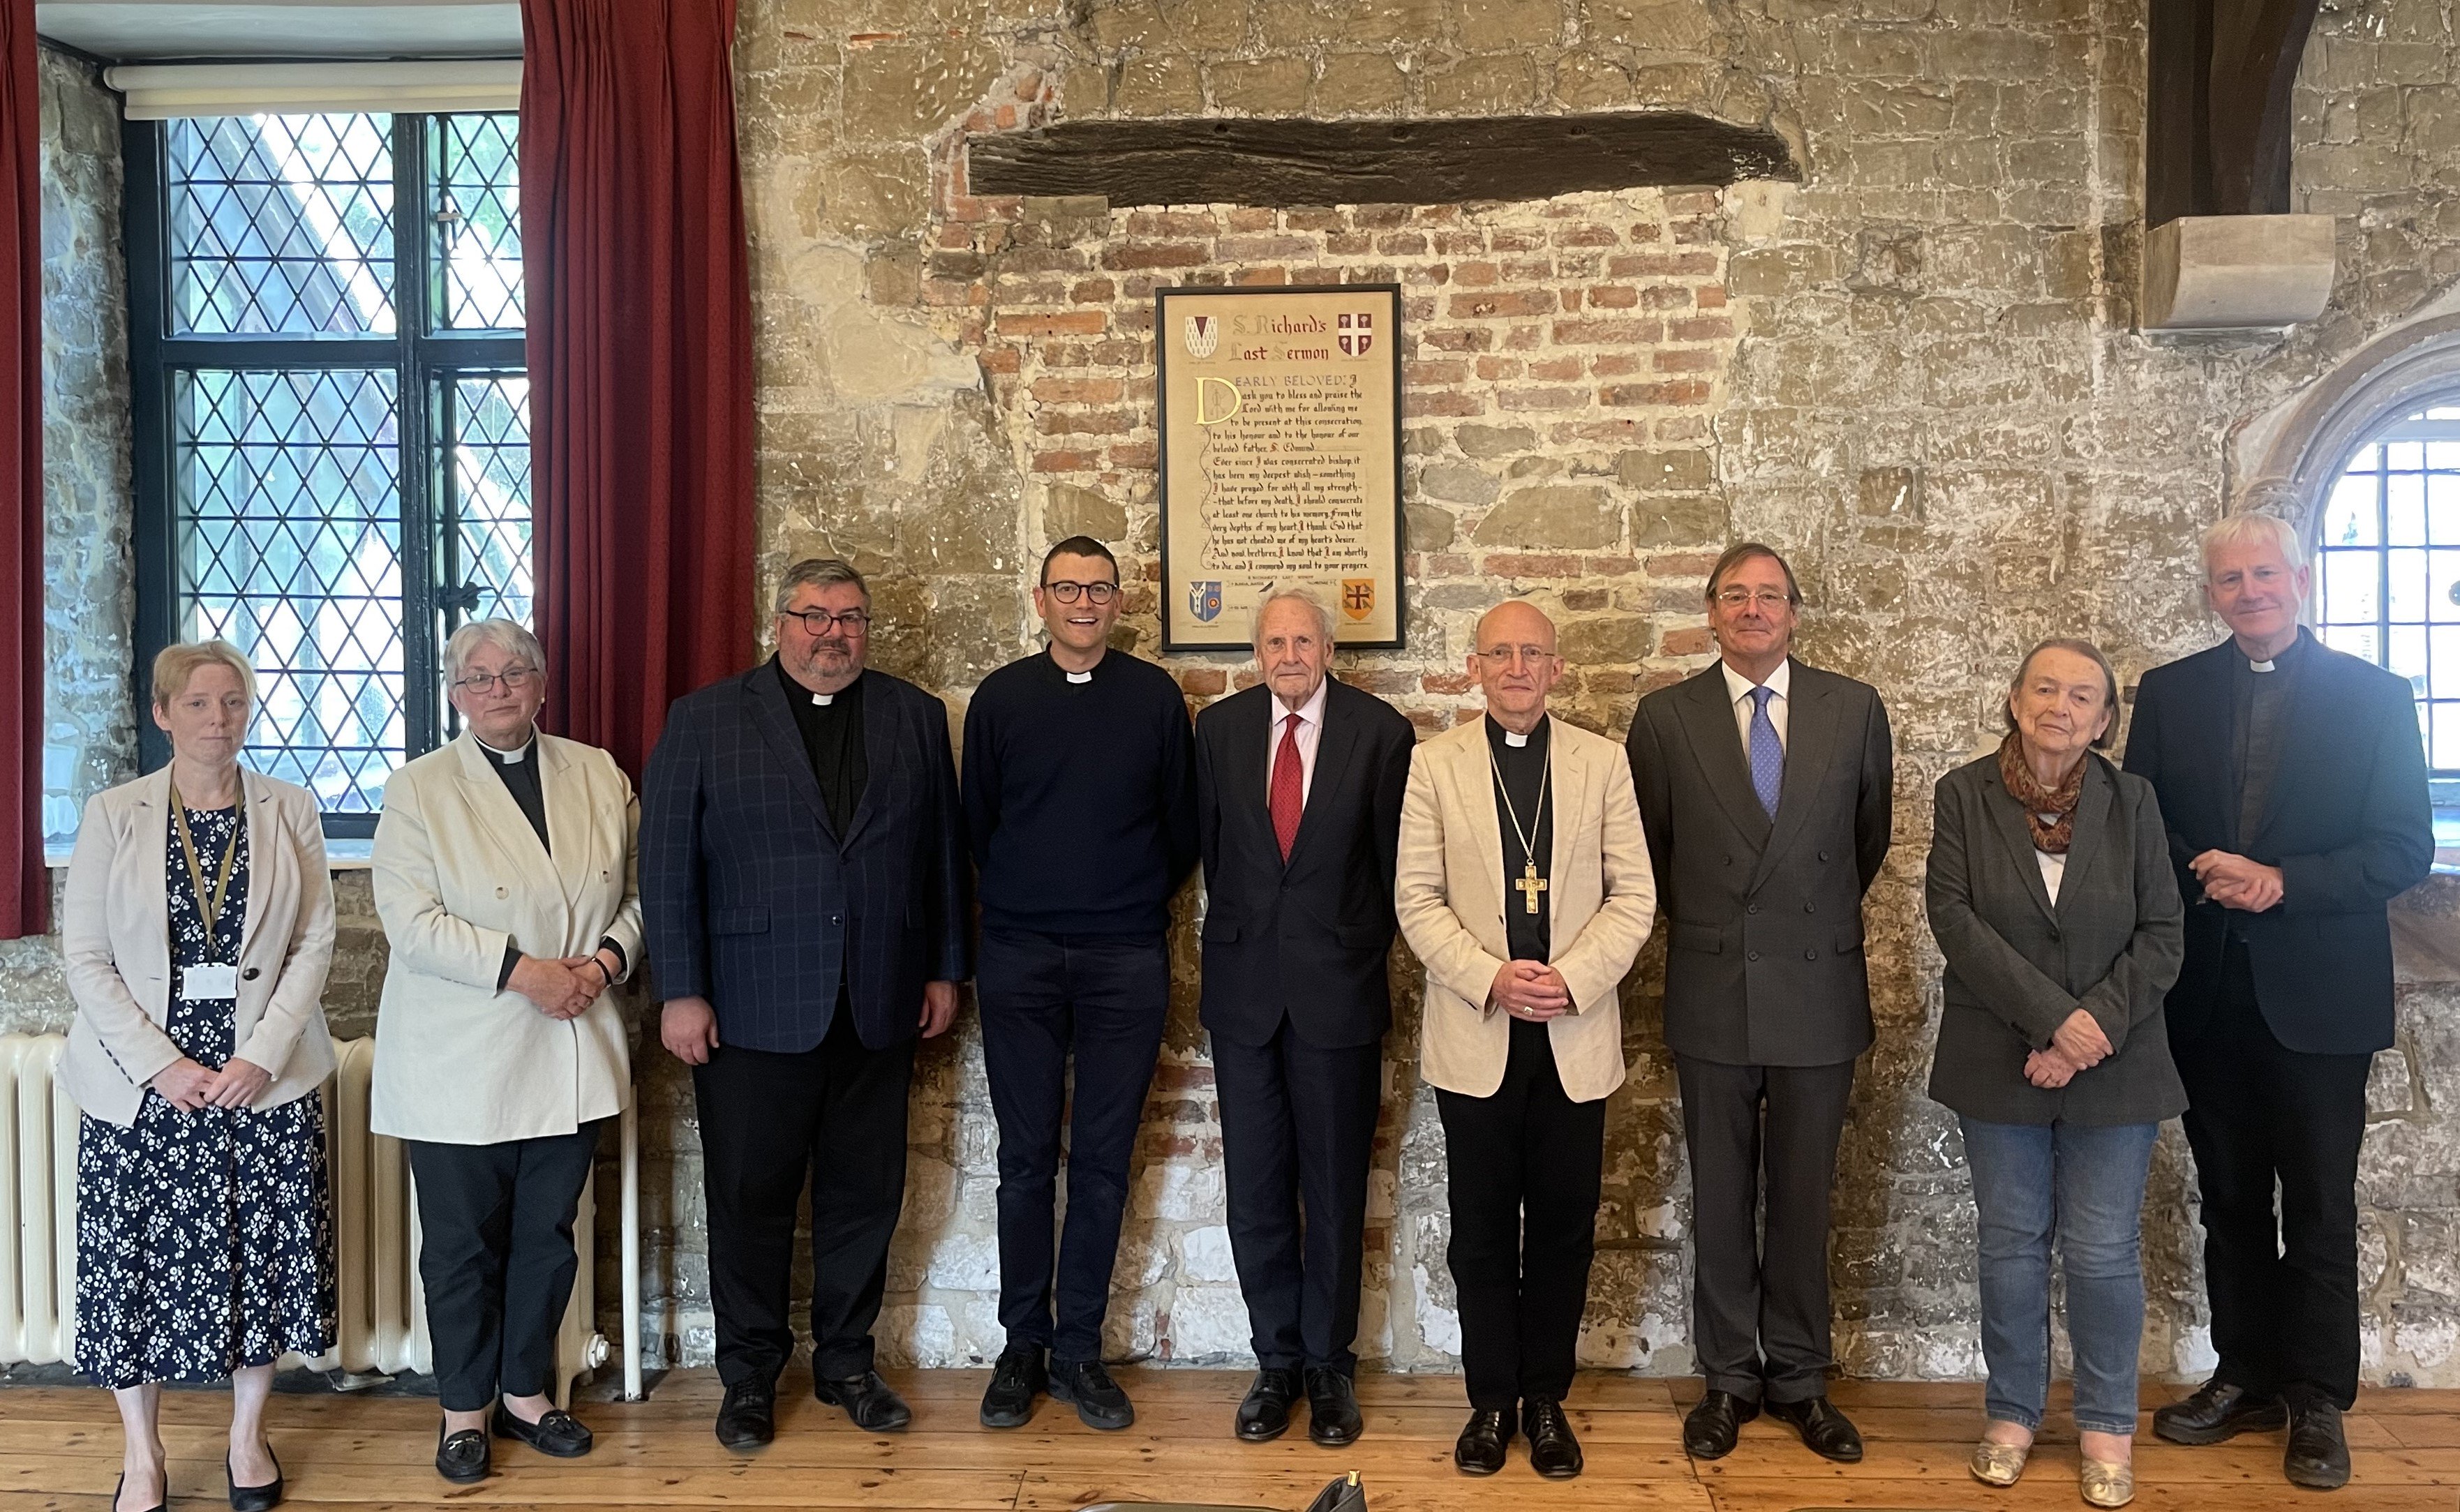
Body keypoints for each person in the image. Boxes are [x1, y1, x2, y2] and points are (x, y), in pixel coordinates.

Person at [2124, 512, 2432, 1492]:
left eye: (2264, 573)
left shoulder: (2375, 696)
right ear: (2209, 592)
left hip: (2319, 998)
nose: (2248, 589)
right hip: (2206, 995)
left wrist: (2281, 878)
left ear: (2300, 581)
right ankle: (2245, 1371)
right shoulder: (2170, 693)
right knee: (2228, 1202)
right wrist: (2201, 867)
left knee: (2319, 1204)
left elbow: (2402, 847)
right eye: (2228, 578)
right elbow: (2137, 827)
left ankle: (2318, 1397)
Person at [643, 557, 970, 1451]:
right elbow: (667, 869)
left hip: (878, 998)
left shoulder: (911, 715)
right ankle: (750, 1376)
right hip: (749, 1009)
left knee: (866, 1193)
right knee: (749, 1196)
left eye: (852, 618)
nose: (834, 634)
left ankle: (848, 1363)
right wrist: (681, 990)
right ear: (779, 623)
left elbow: (942, 852)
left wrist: (944, 968)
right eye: (816, 616)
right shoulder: (706, 718)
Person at [1625, 541, 1893, 1465]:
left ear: (1793, 610)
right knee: (1721, 1192)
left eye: (1768, 595)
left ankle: (1803, 1377)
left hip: (1819, 983)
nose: (1751, 608)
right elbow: (1651, 853)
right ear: (1709, 612)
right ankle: (1729, 1376)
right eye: (1733, 595)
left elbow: (1868, 838)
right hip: (1713, 984)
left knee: (1807, 1196)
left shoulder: (1853, 708)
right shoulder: (1663, 718)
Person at [61, 641, 337, 1512]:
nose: (217, 720)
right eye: (197, 704)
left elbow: (314, 942)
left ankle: (246, 1440)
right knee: (130, 1273)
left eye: (232, 703)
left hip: (261, 1076)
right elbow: (86, 955)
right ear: (162, 713)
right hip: (143, 1085)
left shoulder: (291, 808)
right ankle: (142, 1456)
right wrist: (161, 1064)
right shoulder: (115, 813)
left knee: (260, 1262)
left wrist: (260, 1053)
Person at [370, 620, 643, 1483]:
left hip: (571, 1037)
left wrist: (603, 964)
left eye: (514, 672)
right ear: (454, 693)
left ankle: (527, 1392)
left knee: (547, 1236)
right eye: (477, 677)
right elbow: (412, 926)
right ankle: (463, 1410)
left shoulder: (597, 771)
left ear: (544, 682)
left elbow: (641, 891)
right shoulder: (418, 789)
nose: (497, 689)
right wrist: (528, 973)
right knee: (458, 1247)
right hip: (462, 1051)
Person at [1394, 598, 1655, 1480]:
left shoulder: (1602, 763)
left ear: (1555, 668)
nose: (1515, 668)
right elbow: (1415, 897)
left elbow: (1636, 896)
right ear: (1475, 667)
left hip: (1573, 1032)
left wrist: (1571, 978)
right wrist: (1492, 976)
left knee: (1562, 1225)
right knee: (1478, 1229)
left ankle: (1546, 1399)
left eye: (1531, 654)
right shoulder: (1434, 765)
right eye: (1499, 653)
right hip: (1480, 1028)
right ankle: (1488, 1401)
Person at [1925, 638, 2186, 1510]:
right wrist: (2051, 1020)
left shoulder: (2136, 800)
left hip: (2117, 1058)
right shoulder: (1962, 793)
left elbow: (2161, 933)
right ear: (2013, 697)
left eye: (2082, 696)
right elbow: (1954, 920)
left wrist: (2086, 1031)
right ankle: (2012, 1412)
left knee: (2105, 1250)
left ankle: (2110, 1421)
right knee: (2009, 1243)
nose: (2060, 707)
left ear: (2105, 720)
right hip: (1998, 1053)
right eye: (2045, 688)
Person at [964, 535, 1198, 1432]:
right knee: (1023, 1162)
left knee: (1101, 1164)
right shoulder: (1001, 698)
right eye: (1068, 588)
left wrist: (1120, 898)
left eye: (1099, 588)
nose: (1085, 603)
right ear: (1041, 598)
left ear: (1117, 598)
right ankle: (1021, 1344)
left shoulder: (1152, 699)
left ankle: (1079, 1350)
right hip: (1020, 954)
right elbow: (979, 823)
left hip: (1124, 958)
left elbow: (1182, 829)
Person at [1193, 587, 1415, 1447]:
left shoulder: (1380, 732)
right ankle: (1274, 1361)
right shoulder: (1217, 731)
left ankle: (1329, 1366)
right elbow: (1214, 849)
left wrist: (1352, 944)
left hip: (1338, 991)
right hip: (1246, 990)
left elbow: (1396, 870)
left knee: (1331, 1189)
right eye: (1273, 641)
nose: (1288, 654)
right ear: (1257, 651)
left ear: (1329, 648)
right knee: (1254, 1191)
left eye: (1303, 640)